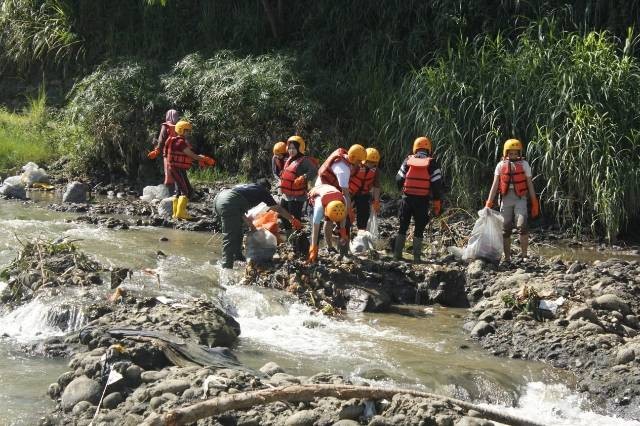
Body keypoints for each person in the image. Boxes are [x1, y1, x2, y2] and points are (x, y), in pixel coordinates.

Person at [214, 179, 302, 269]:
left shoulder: (248, 188)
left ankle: (238, 258)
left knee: (237, 230)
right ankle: (226, 269)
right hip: (229, 203)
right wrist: (292, 219)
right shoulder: (263, 191)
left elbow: (241, 213)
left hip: (219, 199)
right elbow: (278, 209)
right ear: (267, 188)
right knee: (230, 238)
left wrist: (252, 227)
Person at [485, 138, 539, 263]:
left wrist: (534, 202)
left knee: (522, 225)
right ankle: (507, 257)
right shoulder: (500, 165)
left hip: (520, 198)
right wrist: (489, 202)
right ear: (506, 153)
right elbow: (494, 185)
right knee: (506, 229)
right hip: (505, 199)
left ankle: (524, 255)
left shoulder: (524, 165)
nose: (513, 155)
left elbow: (530, 184)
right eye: (511, 153)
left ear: (519, 153)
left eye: (516, 153)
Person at [394, 136, 444, 262]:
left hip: (407, 199)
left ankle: (397, 255)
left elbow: (399, 179)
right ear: (429, 149)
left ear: (415, 148)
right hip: (422, 201)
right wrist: (437, 201)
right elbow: (437, 184)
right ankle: (417, 258)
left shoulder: (408, 160)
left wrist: (402, 190)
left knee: (403, 226)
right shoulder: (431, 163)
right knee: (419, 228)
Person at [164, 120, 215, 220]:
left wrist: (200, 159)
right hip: (177, 168)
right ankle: (180, 213)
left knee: (179, 191)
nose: (189, 133)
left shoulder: (177, 141)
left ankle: (176, 214)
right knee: (185, 191)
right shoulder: (180, 142)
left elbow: (188, 156)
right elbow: (191, 155)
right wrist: (204, 159)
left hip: (176, 168)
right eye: (187, 131)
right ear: (182, 130)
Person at [317, 144, 367, 240]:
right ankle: (331, 246)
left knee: (343, 216)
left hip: (333, 188)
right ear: (352, 157)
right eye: (359, 161)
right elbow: (346, 194)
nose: (360, 163)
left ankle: (340, 239)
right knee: (331, 216)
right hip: (323, 189)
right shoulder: (343, 170)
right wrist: (349, 212)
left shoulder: (345, 159)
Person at [279, 135, 318, 231]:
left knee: (295, 219)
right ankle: (290, 240)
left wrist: (303, 177)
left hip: (297, 197)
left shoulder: (304, 160)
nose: (291, 151)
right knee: (283, 216)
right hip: (286, 195)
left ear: (299, 149)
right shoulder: (289, 159)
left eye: (294, 148)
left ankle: (300, 242)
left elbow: (314, 170)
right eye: (290, 148)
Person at [307, 183, 349, 263]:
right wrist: (313, 249)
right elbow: (315, 231)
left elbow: (343, 218)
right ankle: (312, 252)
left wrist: (343, 233)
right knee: (315, 228)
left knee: (329, 223)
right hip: (316, 194)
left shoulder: (343, 201)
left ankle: (330, 248)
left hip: (331, 192)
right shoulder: (319, 207)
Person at [349, 147, 381, 230]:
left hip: (364, 195)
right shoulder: (357, 166)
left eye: (374, 163)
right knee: (346, 214)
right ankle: (339, 230)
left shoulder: (375, 171)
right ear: (365, 160)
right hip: (352, 193)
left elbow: (376, 186)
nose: (372, 164)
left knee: (364, 215)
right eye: (370, 162)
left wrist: (376, 201)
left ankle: (361, 231)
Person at [148, 109, 180, 192]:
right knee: (179, 172)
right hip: (180, 153)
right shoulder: (180, 126)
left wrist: (157, 150)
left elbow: (161, 139)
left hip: (168, 153)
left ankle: (171, 192)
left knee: (169, 172)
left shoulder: (166, 126)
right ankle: (181, 192)